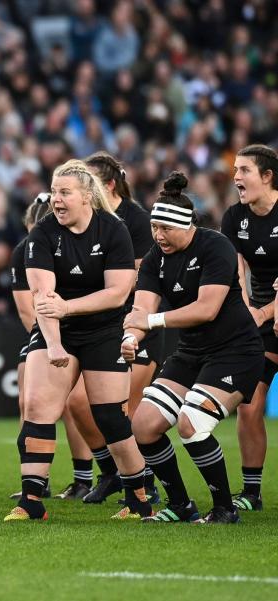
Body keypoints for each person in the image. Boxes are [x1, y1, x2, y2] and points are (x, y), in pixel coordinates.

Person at [6, 159, 152, 521]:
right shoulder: (41, 234)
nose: (56, 199)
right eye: (54, 191)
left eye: (64, 192)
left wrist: (67, 308)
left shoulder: (114, 230)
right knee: (38, 409)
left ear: (87, 196)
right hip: (58, 330)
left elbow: (118, 293)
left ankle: (138, 500)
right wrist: (53, 345)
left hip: (104, 331)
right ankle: (31, 503)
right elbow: (43, 298)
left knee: (112, 420)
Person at [124, 172, 263, 524]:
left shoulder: (217, 247)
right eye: (154, 228)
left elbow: (206, 309)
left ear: (186, 226)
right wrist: (130, 338)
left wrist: (150, 324)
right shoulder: (155, 257)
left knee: (192, 422)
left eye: (165, 229)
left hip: (237, 350)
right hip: (193, 352)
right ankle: (181, 505)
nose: (158, 236)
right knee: (143, 424)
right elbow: (141, 308)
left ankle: (224, 510)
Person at [74, 152, 162, 504]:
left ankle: (145, 482)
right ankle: (112, 470)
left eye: (89, 181)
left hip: (137, 322)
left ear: (108, 185)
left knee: (127, 408)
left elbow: (143, 273)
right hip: (100, 325)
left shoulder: (134, 219)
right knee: (78, 403)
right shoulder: (85, 218)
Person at [9, 194, 94, 501]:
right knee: (28, 401)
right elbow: (26, 309)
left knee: (72, 404)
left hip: (80, 330)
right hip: (44, 330)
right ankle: (36, 480)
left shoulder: (75, 244)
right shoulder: (25, 251)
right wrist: (47, 342)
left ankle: (85, 475)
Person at [220, 144, 278, 512]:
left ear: (268, 176)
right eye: (236, 170)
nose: (236, 177)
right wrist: (248, 310)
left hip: (269, 312)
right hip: (262, 320)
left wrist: (268, 309)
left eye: (244, 170)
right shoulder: (234, 217)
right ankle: (252, 492)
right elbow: (234, 267)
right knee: (249, 403)